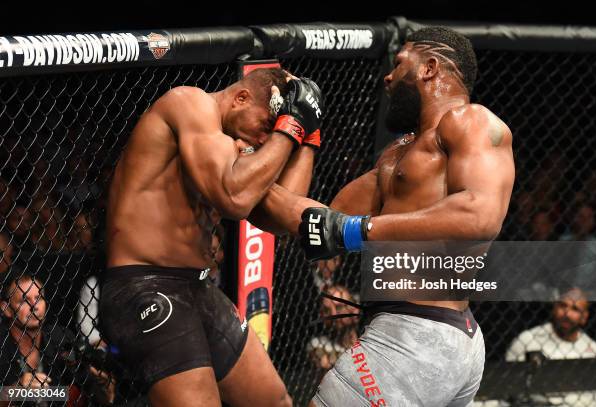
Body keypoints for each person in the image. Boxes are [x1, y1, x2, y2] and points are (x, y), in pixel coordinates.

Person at [252, 26, 515, 406]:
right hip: (427, 337)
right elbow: (314, 223)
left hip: (417, 334)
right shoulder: (398, 154)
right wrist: (293, 135)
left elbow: (479, 215)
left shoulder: (470, 121)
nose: (387, 77)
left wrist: (360, 230)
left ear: (429, 68)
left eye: (398, 63)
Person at [100, 67, 323, 407]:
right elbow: (234, 199)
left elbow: (281, 219)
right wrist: (288, 128)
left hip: (197, 288)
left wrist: (307, 132)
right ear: (241, 98)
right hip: (145, 285)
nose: (266, 140)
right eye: (266, 126)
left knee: (275, 402)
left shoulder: (234, 150)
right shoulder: (189, 103)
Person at [0, 274, 115, 406]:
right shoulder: (3, 344)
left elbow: (77, 384)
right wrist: (17, 391)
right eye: (24, 300)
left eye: (38, 298)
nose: (34, 306)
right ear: (6, 309)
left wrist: (98, 387)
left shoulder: (60, 336)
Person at [505, 288, 596, 406]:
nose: (566, 313)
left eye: (575, 309)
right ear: (554, 308)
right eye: (563, 306)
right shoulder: (527, 339)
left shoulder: (594, 349)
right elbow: (510, 387)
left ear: (584, 317)